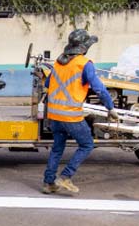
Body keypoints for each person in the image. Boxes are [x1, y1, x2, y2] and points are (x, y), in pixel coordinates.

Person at [42, 29, 119, 194]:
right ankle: (66, 176)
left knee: (57, 148)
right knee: (87, 144)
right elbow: (99, 88)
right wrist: (110, 108)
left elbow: (48, 84)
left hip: (54, 114)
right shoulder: (84, 63)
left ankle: (48, 183)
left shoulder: (58, 62)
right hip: (70, 115)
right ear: (84, 47)